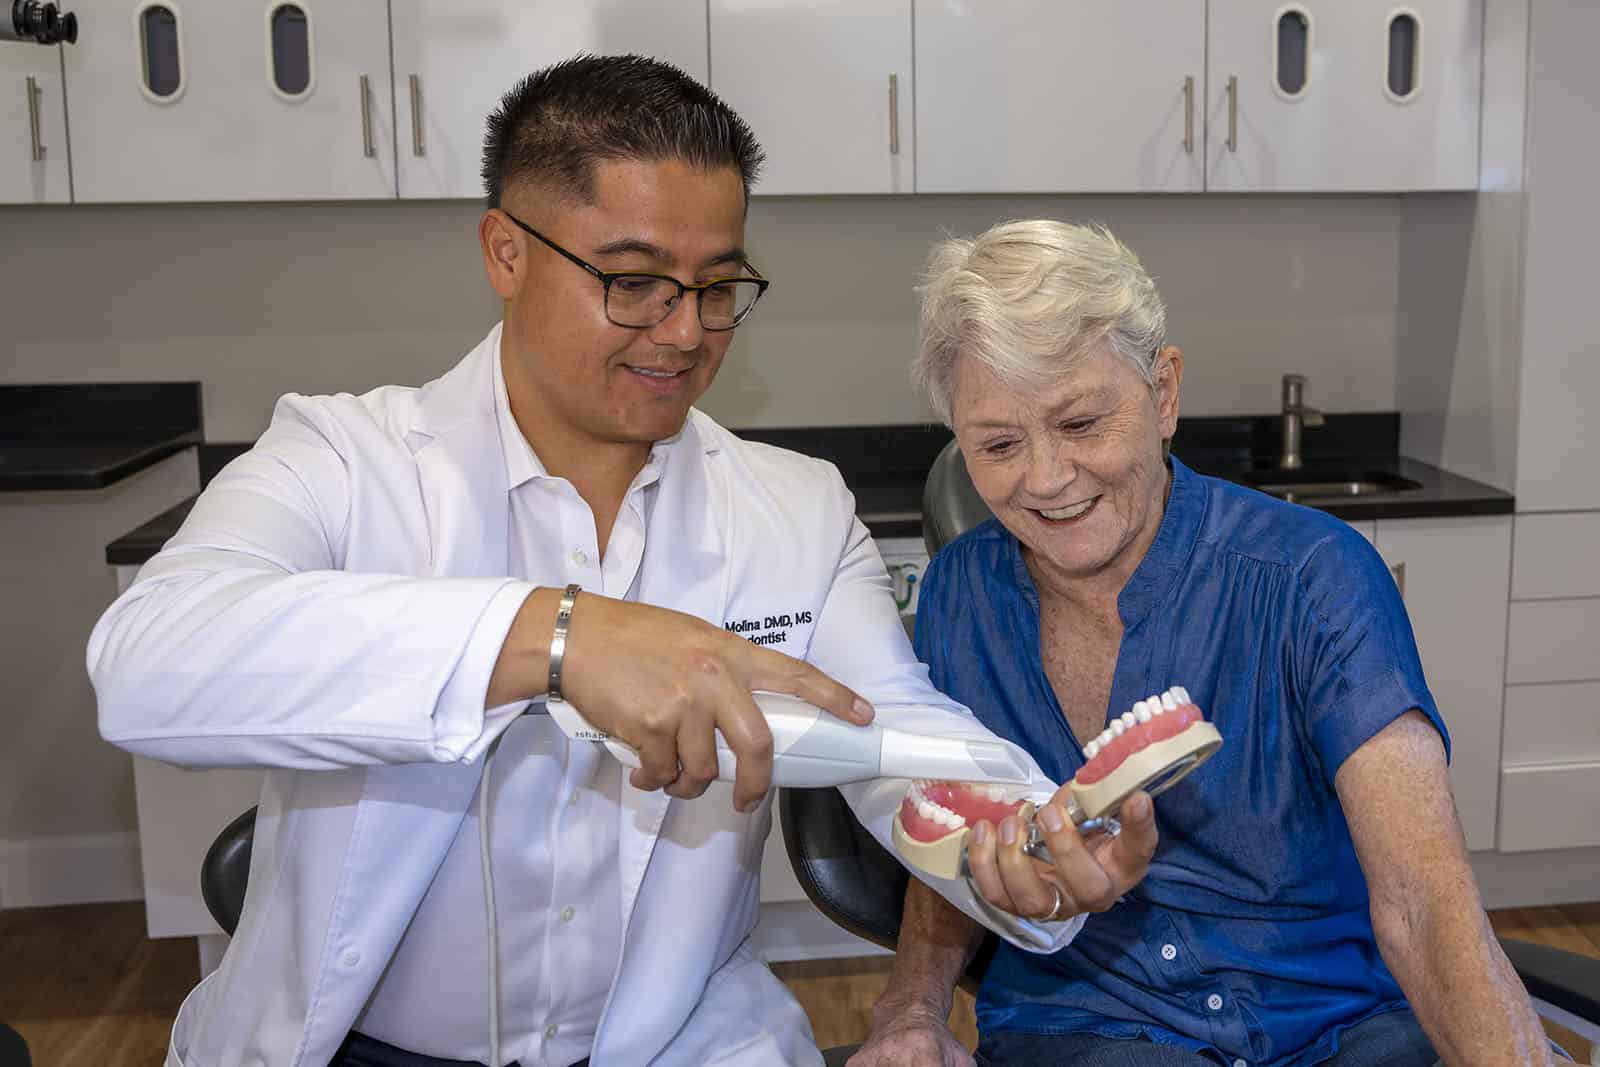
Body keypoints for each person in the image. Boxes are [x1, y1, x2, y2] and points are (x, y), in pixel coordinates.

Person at [86, 58, 1101, 1067]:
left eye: (717, 286)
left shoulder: (791, 508)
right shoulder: (346, 462)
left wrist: (1026, 839)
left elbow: (883, 732)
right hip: (355, 1044)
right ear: (505, 251)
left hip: (678, 1042)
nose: (685, 330)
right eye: (633, 281)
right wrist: (560, 634)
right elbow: (147, 663)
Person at [850, 220, 1563, 1067]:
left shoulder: (1313, 580)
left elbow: (1422, 901)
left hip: (1339, 1027)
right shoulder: (963, 595)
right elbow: (965, 851)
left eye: (1080, 423)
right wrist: (911, 1009)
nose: (1044, 477)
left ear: (1164, 393)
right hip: (1090, 1029)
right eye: (999, 444)